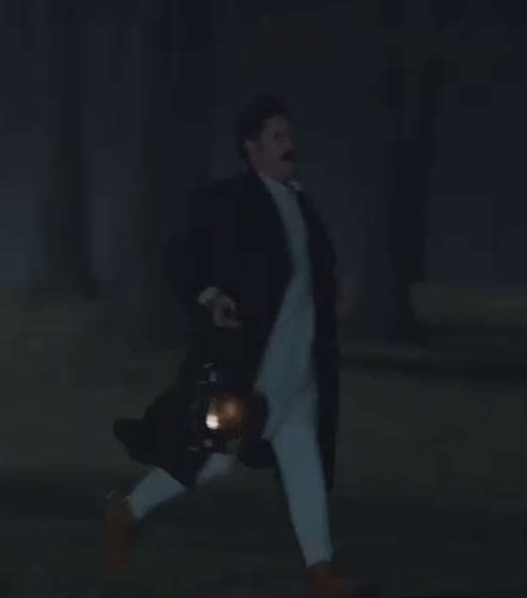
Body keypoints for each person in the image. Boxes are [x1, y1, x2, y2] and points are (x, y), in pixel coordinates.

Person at [108, 95, 372, 597]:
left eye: (290, 136)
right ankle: (126, 512)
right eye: (278, 137)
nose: (289, 146)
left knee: (304, 462)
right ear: (251, 147)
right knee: (214, 460)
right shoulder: (228, 201)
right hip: (251, 367)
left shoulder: (300, 203)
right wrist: (211, 297)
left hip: (299, 366)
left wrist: (336, 290)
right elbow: (182, 255)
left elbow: (312, 273)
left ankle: (321, 571)